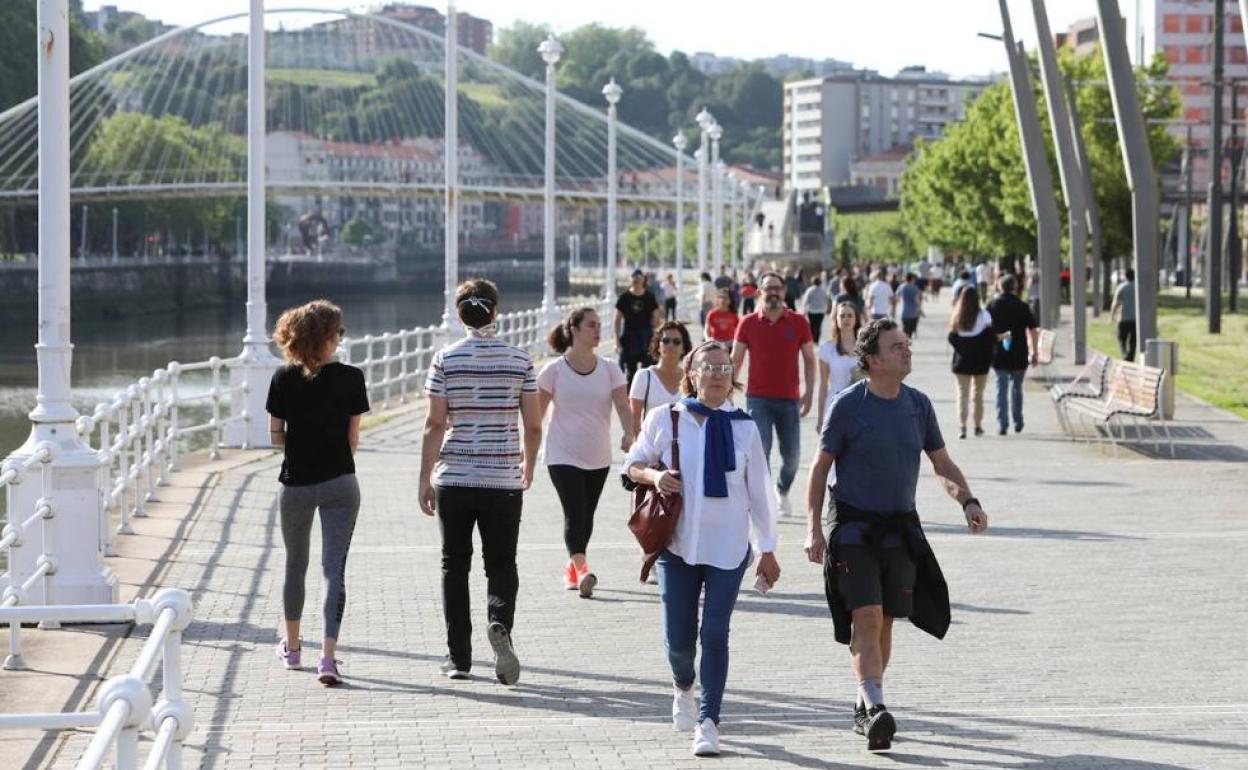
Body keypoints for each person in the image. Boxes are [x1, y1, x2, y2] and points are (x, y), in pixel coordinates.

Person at [803, 319, 989, 753]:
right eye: (897, 346)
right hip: (851, 525)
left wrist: (968, 500)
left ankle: (865, 703)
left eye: (906, 344)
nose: (907, 351)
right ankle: (878, 706)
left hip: (898, 526)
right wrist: (814, 528)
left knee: (885, 622)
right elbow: (819, 468)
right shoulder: (849, 405)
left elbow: (941, 464)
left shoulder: (918, 405)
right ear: (872, 360)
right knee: (866, 617)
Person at [623, 340, 781, 757]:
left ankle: (709, 721)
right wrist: (654, 478)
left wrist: (767, 548)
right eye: (707, 367)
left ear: (732, 377)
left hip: (729, 548)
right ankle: (682, 687)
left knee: (714, 632)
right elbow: (632, 464)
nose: (716, 374)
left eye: (724, 367)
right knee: (678, 640)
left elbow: (762, 495)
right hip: (678, 548)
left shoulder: (745, 427)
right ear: (691, 375)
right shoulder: (666, 419)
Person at [419, 279, 542, 685]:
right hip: (503, 477)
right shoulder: (519, 360)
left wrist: (424, 477)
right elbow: (534, 425)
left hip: (454, 478)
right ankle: (499, 620)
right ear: (496, 311)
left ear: (459, 314)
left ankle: (459, 659)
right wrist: (528, 466)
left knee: (454, 565)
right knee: (501, 563)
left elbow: (435, 423)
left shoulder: (445, 359)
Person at [267, 300, 369, 687]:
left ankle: (292, 650)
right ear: (326, 338)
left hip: (295, 484)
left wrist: (297, 449)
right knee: (333, 571)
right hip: (342, 483)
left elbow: (275, 434)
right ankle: (327, 658)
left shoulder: (282, 378)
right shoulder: (352, 377)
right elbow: (352, 438)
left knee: (295, 566)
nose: (340, 338)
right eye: (337, 333)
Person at [539, 307, 634, 599]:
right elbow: (536, 415)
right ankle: (582, 571)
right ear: (575, 330)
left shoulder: (609, 368)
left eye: (598, 325)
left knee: (587, 515)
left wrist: (629, 432)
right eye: (591, 325)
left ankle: (572, 566)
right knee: (574, 510)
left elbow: (622, 404)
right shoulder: (553, 371)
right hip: (561, 453)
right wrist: (525, 451)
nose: (597, 330)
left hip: (597, 454)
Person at [732, 272, 816, 516]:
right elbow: (736, 360)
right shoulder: (747, 323)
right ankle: (765, 497)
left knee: (792, 456)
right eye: (768, 289)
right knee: (761, 450)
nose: (773, 293)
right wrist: (726, 391)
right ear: (759, 293)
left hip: (790, 399)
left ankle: (782, 489)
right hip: (758, 398)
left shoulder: (799, 322)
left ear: (784, 291)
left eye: (777, 288)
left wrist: (809, 392)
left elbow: (810, 360)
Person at [987, 274, 1039, 435]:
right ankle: (1018, 421)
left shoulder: (992, 305)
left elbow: (986, 330)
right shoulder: (1022, 306)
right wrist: (1034, 351)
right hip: (1019, 353)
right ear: (1015, 287)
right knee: (1017, 387)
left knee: (1001, 388)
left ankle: (1002, 423)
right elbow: (1032, 330)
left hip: (999, 353)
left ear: (1000, 287)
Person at [947, 287, 995, 439]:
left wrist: (962, 348)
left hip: (962, 362)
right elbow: (990, 337)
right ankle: (978, 426)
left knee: (962, 395)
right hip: (981, 362)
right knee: (978, 395)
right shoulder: (985, 316)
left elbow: (951, 338)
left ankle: (962, 427)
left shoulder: (956, 317)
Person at [629, 322, 692, 435]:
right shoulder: (644, 376)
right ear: (658, 346)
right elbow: (634, 422)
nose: (671, 345)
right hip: (651, 449)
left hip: (684, 450)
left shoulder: (691, 380)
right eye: (666, 341)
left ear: (683, 348)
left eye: (676, 342)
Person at [817, 301, 862, 432]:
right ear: (836, 319)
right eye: (842, 316)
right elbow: (823, 386)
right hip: (834, 406)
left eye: (849, 315)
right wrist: (820, 420)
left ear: (856, 319)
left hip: (860, 407)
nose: (846, 319)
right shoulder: (827, 348)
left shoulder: (866, 348)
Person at [616, 268, 663, 386]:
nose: (636, 278)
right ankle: (631, 398)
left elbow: (657, 319)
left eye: (639, 276)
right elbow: (617, 320)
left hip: (646, 336)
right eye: (634, 276)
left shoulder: (649, 297)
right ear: (630, 279)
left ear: (643, 279)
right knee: (630, 371)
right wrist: (617, 341)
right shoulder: (624, 297)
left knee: (647, 370)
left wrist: (658, 338)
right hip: (629, 336)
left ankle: (644, 394)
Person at [1110, 268, 1137, 361]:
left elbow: (1115, 303)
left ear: (1126, 276)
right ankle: (1131, 357)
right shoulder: (1138, 287)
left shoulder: (1122, 287)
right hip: (1136, 319)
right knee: (1133, 340)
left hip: (1124, 318)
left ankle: (1125, 354)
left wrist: (1112, 315)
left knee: (1122, 338)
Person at [802, 276, 830, 342]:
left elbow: (805, 300)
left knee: (812, 325)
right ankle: (816, 339)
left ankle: (812, 339)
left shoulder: (809, 290)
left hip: (812, 311)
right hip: (821, 311)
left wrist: (805, 309)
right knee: (818, 326)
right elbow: (827, 300)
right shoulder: (823, 290)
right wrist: (827, 308)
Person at [896, 273, 923, 338]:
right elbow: (916, 300)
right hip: (913, 312)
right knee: (910, 332)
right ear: (912, 279)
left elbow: (897, 298)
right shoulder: (915, 288)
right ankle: (908, 343)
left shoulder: (901, 287)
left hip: (904, 311)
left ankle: (904, 344)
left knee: (904, 330)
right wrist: (919, 309)